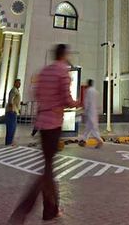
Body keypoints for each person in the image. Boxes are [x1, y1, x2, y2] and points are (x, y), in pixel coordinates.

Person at [10, 44, 79, 223]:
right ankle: (22, 210)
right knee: (47, 172)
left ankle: (50, 210)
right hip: (54, 124)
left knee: (49, 168)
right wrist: (79, 102)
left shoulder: (45, 71)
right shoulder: (63, 72)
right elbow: (67, 99)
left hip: (42, 123)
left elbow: (36, 93)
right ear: (64, 55)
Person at [79, 79, 103, 148]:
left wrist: (85, 111)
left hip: (90, 112)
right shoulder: (96, 91)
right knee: (88, 127)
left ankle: (99, 140)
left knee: (92, 128)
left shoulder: (88, 91)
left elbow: (87, 102)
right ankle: (83, 141)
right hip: (94, 112)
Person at [6, 79, 21, 146]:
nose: (19, 84)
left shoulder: (17, 90)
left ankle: (10, 141)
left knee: (13, 128)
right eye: (18, 83)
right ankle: (8, 142)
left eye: (20, 83)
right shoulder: (13, 90)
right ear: (14, 83)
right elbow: (10, 99)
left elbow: (15, 100)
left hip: (14, 111)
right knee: (11, 128)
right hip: (11, 111)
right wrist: (11, 108)